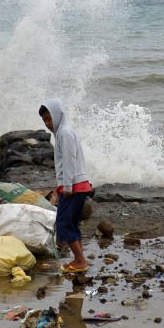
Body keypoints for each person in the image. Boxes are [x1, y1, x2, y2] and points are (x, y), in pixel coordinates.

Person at [39, 99, 93, 273]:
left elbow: (69, 161)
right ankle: (80, 259)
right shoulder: (63, 133)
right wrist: (61, 185)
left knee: (64, 223)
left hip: (74, 186)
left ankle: (80, 261)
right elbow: (64, 164)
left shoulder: (65, 133)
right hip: (75, 185)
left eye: (49, 119)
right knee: (71, 223)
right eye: (45, 121)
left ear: (57, 115)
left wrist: (67, 187)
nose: (48, 124)